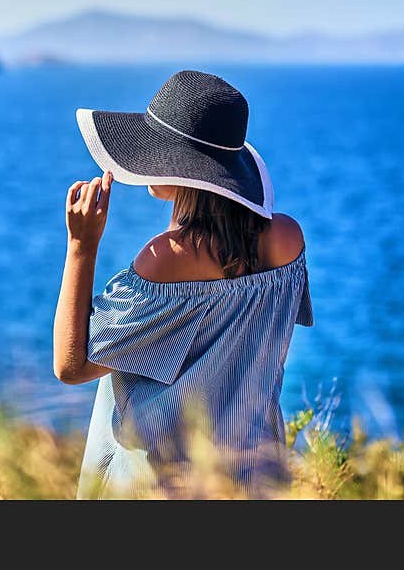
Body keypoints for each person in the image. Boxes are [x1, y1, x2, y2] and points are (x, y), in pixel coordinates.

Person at [53, 70, 313, 498]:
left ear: (189, 173)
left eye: (159, 151)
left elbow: (71, 365)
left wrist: (81, 245)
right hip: (252, 482)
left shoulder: (165, 262)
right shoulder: (288, 240)